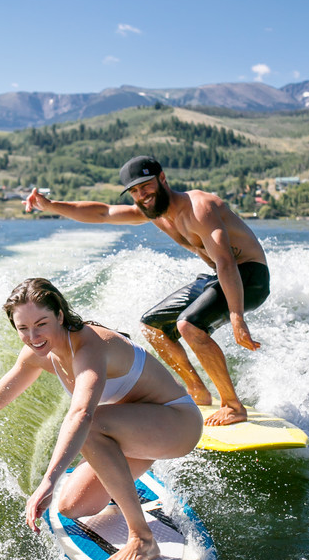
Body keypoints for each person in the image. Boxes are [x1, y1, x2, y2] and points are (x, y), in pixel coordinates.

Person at [0, 277, 203, 560]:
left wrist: (48, 480)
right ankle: (122, 486)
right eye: (22, 328)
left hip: (176, 425)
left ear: (60, 316)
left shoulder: (90, 345)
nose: (33, 337)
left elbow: (81, 415)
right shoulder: (38, 352)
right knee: (72, 506)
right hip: (133, 432)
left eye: (41, 324)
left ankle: (142, 538)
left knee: (89, 429)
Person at [24, 155, 270, 426]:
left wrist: (237, 317)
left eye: (146, 186)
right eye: (135, 191)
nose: (142, 195)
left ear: (162, 179)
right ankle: (197, 391)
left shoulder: (201, 207)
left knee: (189, 326)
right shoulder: (154, 212)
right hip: (219, 275)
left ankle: (233, 406)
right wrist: (51, 206)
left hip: (249, 275)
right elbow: (103, 213)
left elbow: (225, 262)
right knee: (153, 326)